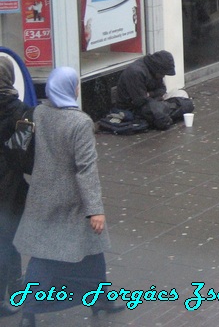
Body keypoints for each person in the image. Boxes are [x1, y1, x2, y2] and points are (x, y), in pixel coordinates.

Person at [13, 67, 124, 326]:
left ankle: (100, 299)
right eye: (75, 84)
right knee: (47, 257)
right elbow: (85, 169)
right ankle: (29, 309)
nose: (76, 88)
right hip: (71, 200)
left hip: (43, 193)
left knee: (92, 249)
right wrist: (94, 208)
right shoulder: (80, 122)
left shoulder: (40, 112)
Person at [0, 59, 31, 317]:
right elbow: (25, 154)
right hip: (9, 186)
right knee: (7, 239)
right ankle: (13, 290)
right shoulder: (20, 111)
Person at [115, 50, 193, 130]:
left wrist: (151, 94)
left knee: (182, 94)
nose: (163, 76)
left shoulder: (156, 72)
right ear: (157, 68)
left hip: (154, 100)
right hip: (134, 108)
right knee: (157, 111)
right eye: (162, 74)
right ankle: (167, 113)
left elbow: (162, 89)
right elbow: (140, 101)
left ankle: (166, 113)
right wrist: (157, 100)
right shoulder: (136, 72)